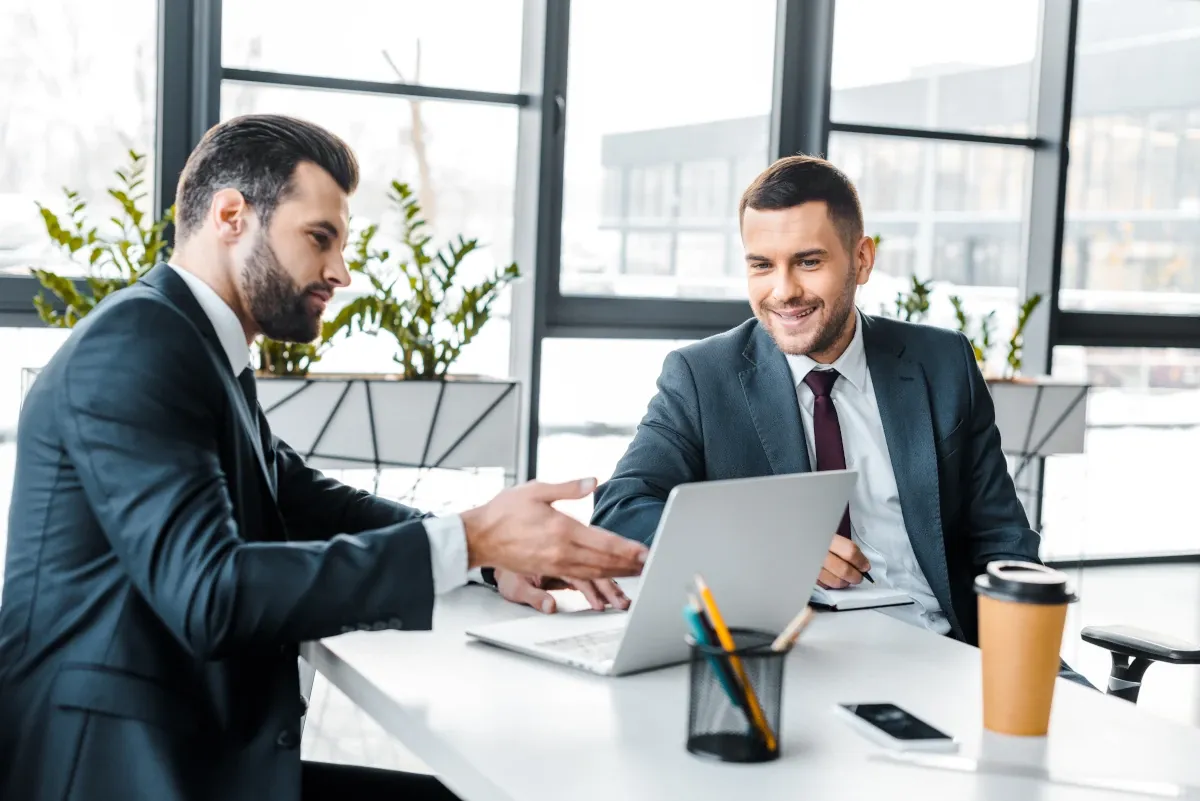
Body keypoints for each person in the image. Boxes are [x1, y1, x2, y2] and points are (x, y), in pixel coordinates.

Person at [0, 114, 648, 801]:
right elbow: (210, 593)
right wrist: (468, 538)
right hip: (114, 767)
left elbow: (300, 498)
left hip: (186, 747)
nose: (340, 271)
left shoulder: (194, 344)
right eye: (320, 238)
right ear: (230, 216)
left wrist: (488, 552)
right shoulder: (137, 343)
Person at [575, 155, 1089, 686]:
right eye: (761, 265)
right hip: (799, 664)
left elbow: (1001, 536)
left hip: (953, 652)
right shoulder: (703, 376)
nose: (783, 290)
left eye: (809, 261)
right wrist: (772, 543)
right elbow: (621, 510)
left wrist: (1021, 661)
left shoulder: (942, 363)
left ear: (862, 260)